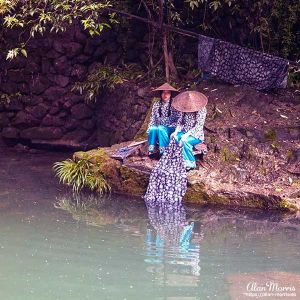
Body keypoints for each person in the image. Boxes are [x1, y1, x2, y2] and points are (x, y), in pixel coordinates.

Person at [171, 91, 208, 170]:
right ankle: (178, 159)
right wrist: (176, 131)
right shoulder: (184, 108)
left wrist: (186, 135)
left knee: (185, 141)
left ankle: (190, 163)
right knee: (175, 137)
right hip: (184, 131)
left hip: (196, 135)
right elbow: (180, 122)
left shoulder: (201, 109)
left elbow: (199, 126)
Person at [147, 83, 179, 157]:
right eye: (164, 92)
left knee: (161, 128)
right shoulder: (156, 104)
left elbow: (179, 120)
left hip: (171, 128)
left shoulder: (175, 104)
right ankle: (152, 150)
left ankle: (164, 151)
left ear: (170, 94)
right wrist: (149, 127)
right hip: (160, 127)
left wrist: (170, 127)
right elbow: (153, 118)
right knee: (153, 128)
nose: (165, 95)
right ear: (161, 94)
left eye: (168, 93)